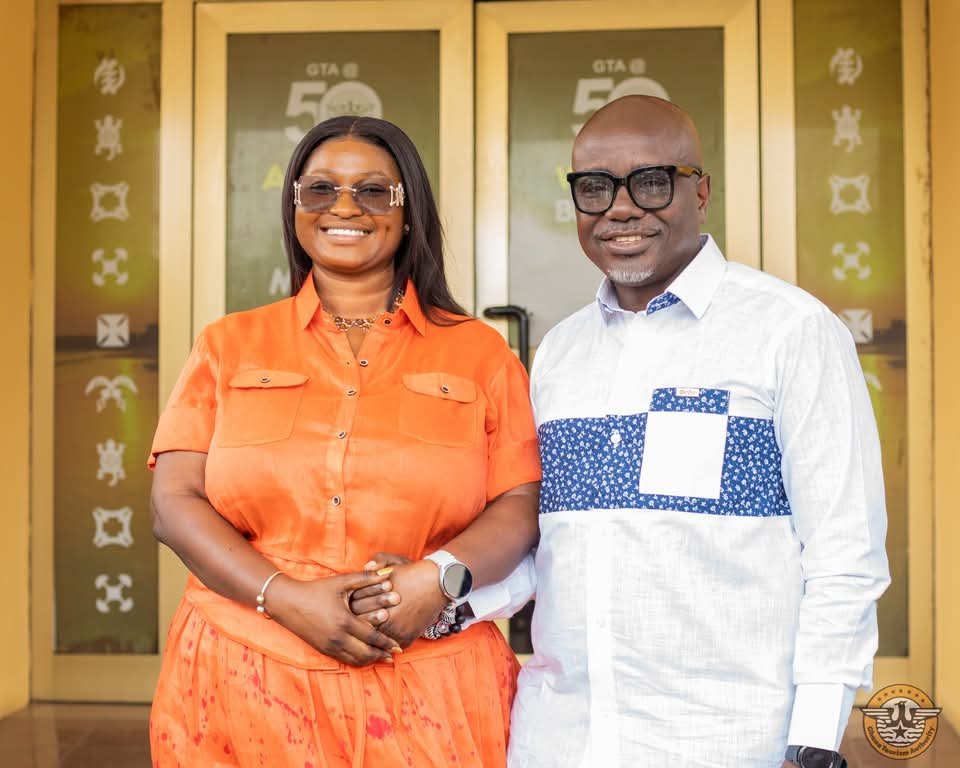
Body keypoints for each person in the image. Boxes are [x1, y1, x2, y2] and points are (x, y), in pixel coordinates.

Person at [507, 95, 890, 768]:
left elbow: (845, 555)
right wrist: (439, 590)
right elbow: (552, 545)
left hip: (728, 742)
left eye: (651, 183)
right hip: (561, 738)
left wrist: (815, 737)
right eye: (594, 188)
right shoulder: (561, 353)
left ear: (701, 191)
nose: (620, 209)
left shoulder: (789, 331)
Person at [148, 115, 541, 768]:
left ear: (409, 212)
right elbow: (174, 501)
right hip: (241, 677)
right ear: (295, 207)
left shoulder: (481, 355)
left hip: (429, 688)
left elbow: (520, 502)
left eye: (374, 191)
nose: (346, 208)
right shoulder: (228, 345)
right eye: (321, 189)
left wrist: (439, 580)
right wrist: (283, 596)